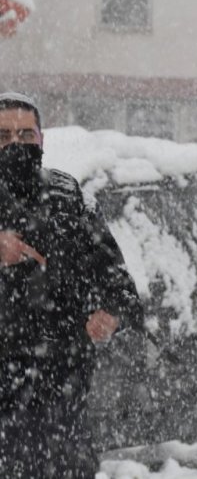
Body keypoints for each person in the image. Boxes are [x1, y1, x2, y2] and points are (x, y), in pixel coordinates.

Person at [0, 92, 143, 478]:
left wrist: (111, 314)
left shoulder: (68, 198)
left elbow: (118, 283)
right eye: (4, 137)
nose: (16, 145)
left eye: (25, 135)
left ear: (41, 140)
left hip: (62, 403)